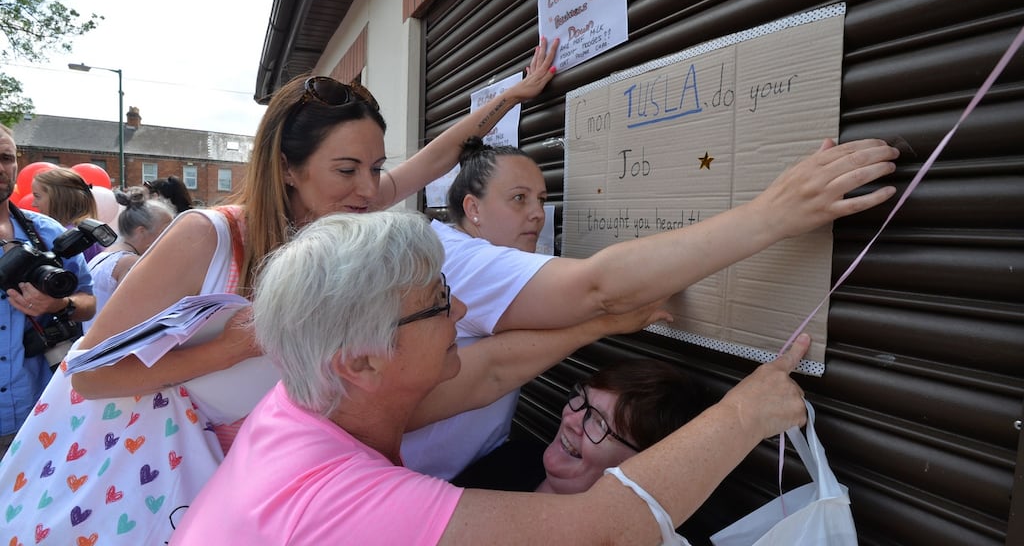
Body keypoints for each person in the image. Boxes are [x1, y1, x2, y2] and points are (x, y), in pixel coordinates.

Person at [0, 39, 560, 545]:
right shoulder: (208, 238)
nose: (370, 190)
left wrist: (513, 94)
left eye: (376, 168)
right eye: (347, 169)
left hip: (259, 501)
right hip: (149, 487)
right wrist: (241, 343)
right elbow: (91, 373)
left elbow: (435, 158)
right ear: (288, 168)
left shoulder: (337, 226)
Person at [169, 210, 809, 545]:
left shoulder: (307, 398)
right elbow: (607, 531)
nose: (463, 312)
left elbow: (489, 371)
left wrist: (597, 326)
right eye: (438, 302)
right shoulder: (348, 507)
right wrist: (745, 412)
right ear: (362, 360)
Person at [401, 135, 901, 480]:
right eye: (518, 198)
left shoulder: (461, 256)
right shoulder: (464, 260)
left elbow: (491, 369)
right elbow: (598, 286)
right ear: (472, 209)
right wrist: (773, 215)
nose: (537, 213)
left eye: (541, 197)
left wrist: (604, 322)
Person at [451, 359, 702, 494]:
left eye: (600, 423)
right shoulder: (515, 459)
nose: (571, 420)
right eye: (581, 399)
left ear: (645, 462)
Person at [0, 125, 95, 457]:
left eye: (6, 158)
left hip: (38, 415)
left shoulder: (46, 231)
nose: (1, 167)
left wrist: (60, 303)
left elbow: (88, 301)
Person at [82, 186, 176, 332]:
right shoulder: (130, 263)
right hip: (109, 348)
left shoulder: (107, 253)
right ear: (141, 231)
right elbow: (136, 316)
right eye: (165, 230)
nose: (170, 237)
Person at [31, 166, 102, 261]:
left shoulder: (69, 239)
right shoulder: (84, 235)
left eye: (37, 196)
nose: (33, 204)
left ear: (59, 199)